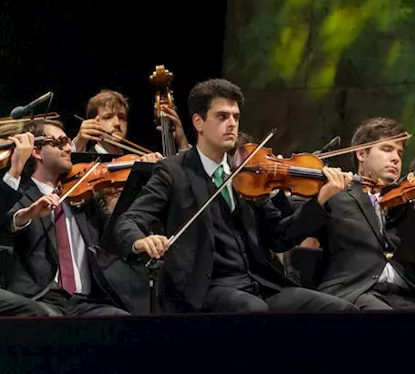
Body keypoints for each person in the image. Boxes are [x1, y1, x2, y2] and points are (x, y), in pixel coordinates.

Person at [112, 79, 358, 313]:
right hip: (206, 288)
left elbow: (279, 238)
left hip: (259, 283)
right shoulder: (174, 171)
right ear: (198, 122)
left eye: (236, 117)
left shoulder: (248, 174)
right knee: (253, 311)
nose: (232, 124)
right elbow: (129, 220)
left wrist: (319, 201)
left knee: (340, 310)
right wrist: (140, 241)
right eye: (222, 116)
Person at [4, 118, 156, 316]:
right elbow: (7, 222)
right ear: (37, 151)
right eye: (59, 143)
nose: (69, 147)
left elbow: (115, 232)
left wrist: (142, 174)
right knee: (47, 317)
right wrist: (28, 213)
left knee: (121, 319)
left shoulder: (83, 194)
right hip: (41, 297)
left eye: (68, 141)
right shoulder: (19, 194)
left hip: (84, 301)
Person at [288, 117, 415, 310]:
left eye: (400, 153)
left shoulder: (403, 203)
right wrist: (319, 198)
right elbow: (288, 232)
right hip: (354, 292)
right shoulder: (336, 194)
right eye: (387, 149)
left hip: (402, 294)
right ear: (361, 153)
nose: (396, 158)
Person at [72, 89, 188, 156]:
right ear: (93, 123)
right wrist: (78, 144)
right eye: (108, 117)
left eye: (122, 117)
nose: (117, 123)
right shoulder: (84, 164)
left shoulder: (136, 161)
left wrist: (182, 142)